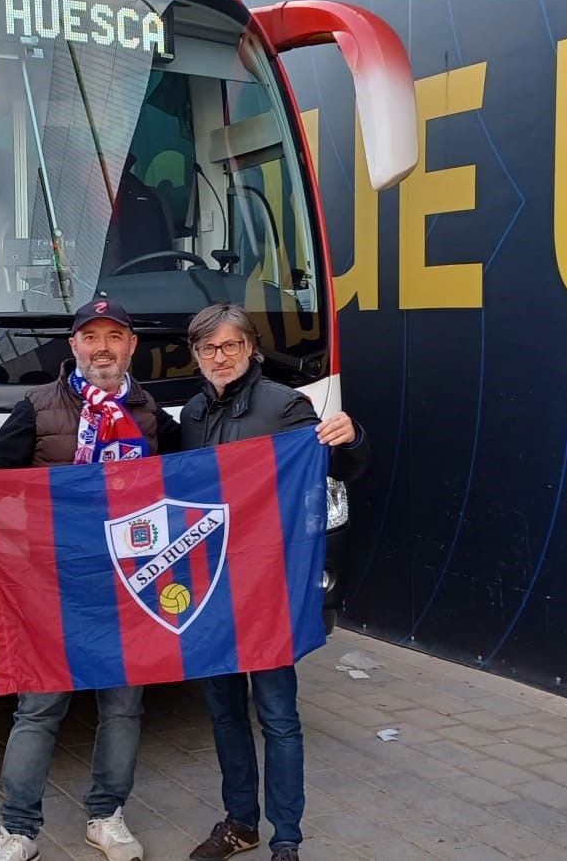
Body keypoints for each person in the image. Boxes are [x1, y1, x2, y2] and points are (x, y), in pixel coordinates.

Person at [0, 297, 180, 861]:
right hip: (50, 586)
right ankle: (19, 831)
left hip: (129, 585)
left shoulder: (153, 415)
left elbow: (208, 474)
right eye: (91, 337)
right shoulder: (36, 407)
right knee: (40, 708)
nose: (102, 348)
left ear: (131, 346)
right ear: (74, 345)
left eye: (114, 337)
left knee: (124, 708)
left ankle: (106, 816)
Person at [177, 303, 369, 861]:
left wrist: (353, 437)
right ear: (196, 355)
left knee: (279, 715)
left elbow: (343, 467)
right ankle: (241, 822)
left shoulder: (286, 406)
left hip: (268, 588)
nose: (220, 357)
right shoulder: (190, 414)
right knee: (224, 711)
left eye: (231, 346)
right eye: (208, 348)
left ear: (251, 349)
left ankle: (287, 837)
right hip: (209, 591)